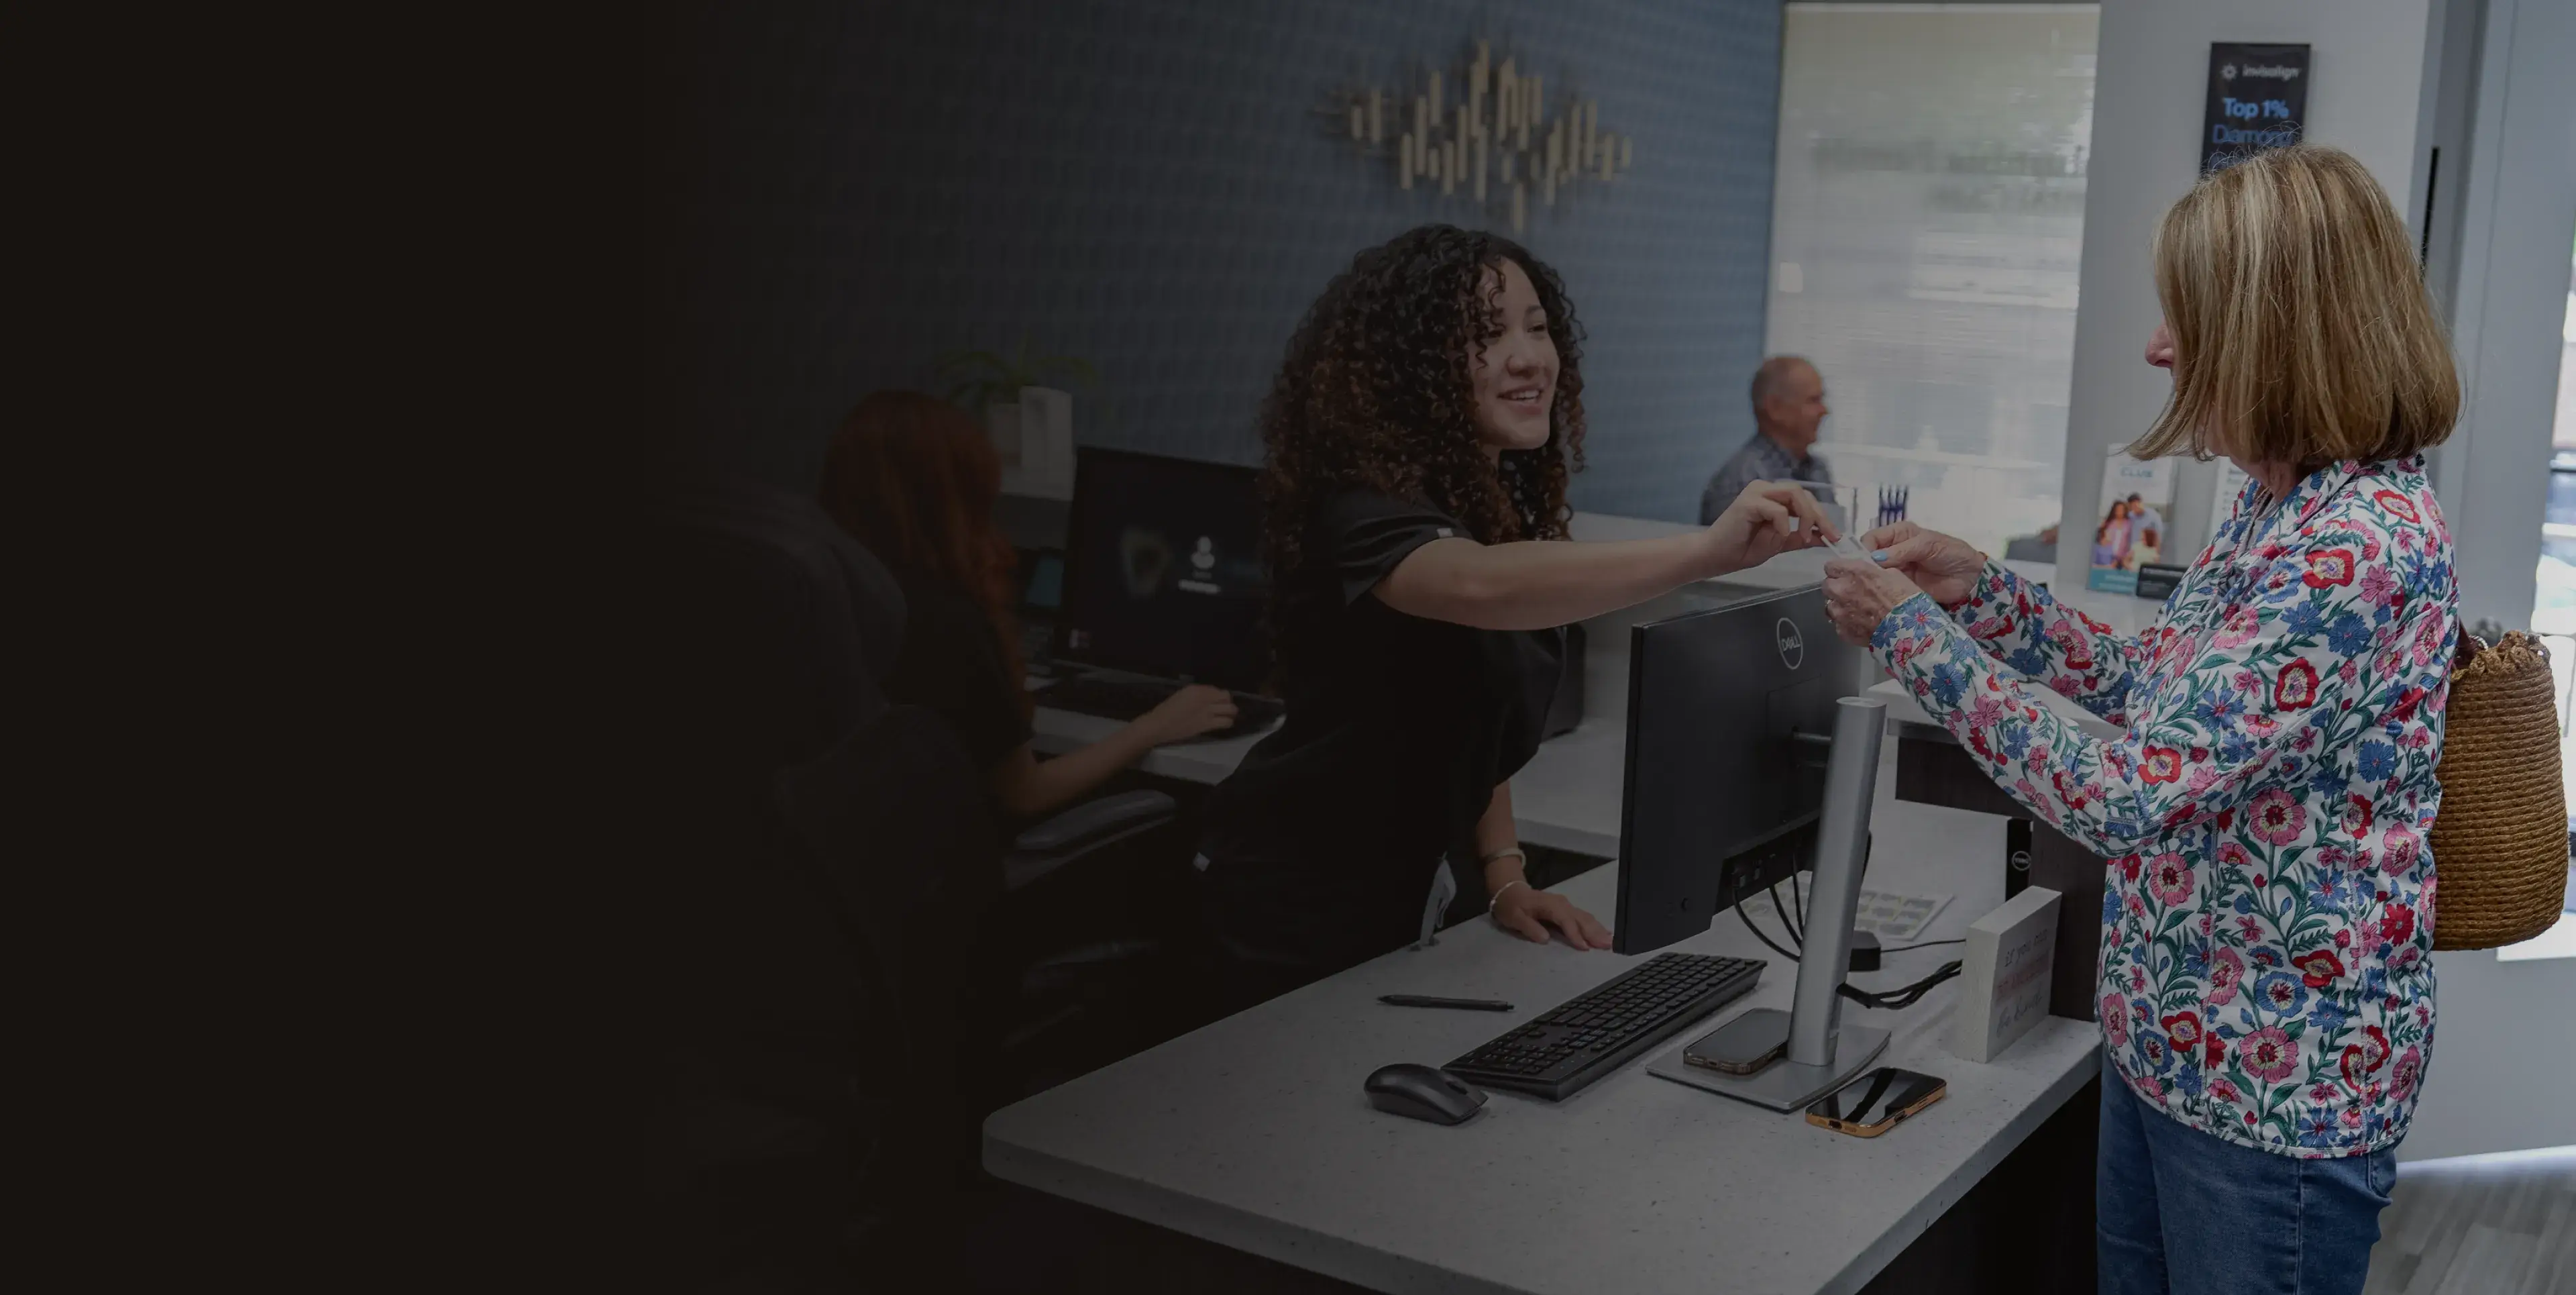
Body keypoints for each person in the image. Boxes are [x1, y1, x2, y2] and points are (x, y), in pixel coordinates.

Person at [1820, 145, 2456, 1295]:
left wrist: (1911, 633)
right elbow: (2157, 688)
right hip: (2175, 1046)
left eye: (2185, 319)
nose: (2159, 348)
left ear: (2277, 332)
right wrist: (1981, 592)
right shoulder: (2281, 500)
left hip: (2273, 1098)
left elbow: (2126, 793)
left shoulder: (2356, 543)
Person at [1199, 224, 1837, 1004]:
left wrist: (1504, 873)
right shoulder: (1363, 506)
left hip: (1410, 895)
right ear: (1411, 366)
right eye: (1486, 334)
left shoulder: (1480, 504)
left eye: (1538, 328)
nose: (1529, 356)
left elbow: (1473, 707)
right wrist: (1706, 552)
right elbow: (1474, 589)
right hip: (1294, 899)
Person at [819, 391, 1240, 824]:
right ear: (949, 499)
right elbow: (1024, 793)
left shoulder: (835, 599)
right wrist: (1156, 726)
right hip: (958, 872)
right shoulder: (948, 625)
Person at [1700, 355, 1831, 525]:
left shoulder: (1818, 470)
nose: (1824, 411)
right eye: (1813, 401)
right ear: (1775, 408)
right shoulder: (1740, 481)